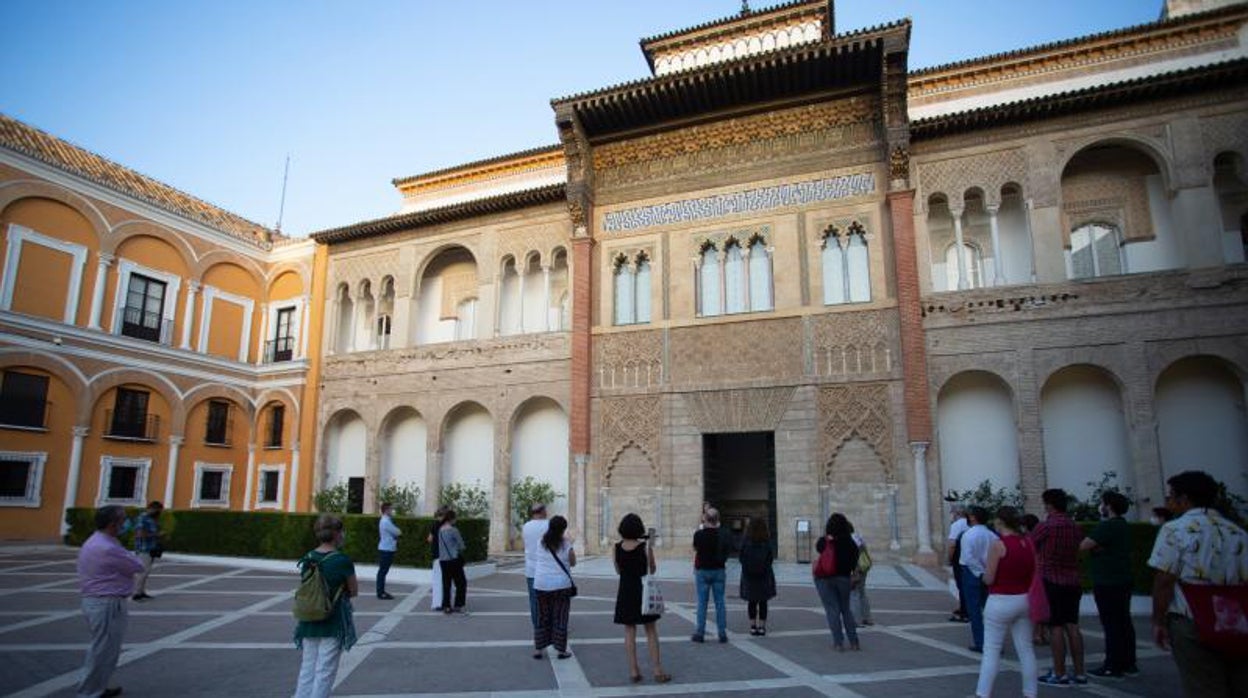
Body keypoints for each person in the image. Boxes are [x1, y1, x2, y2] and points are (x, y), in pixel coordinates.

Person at [1148, 470, 1248, 698]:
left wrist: (1158, 620)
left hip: (1192, 617)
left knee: (1202, 686)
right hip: (1235, 618)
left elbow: (1164, 579)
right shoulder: (1237, 531)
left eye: (1171, 496)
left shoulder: (1175, 529)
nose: (1169, 502)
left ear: (1184, 499)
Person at [77, 504, 146, 698]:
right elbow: (137, 565)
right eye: (123, 520)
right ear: (113, 524)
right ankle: (89, 692)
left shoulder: (98, 540)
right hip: (106, 603)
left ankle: (98, 686)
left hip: (100, 601)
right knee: (103, 651)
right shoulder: (107, 547)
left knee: (105, 650)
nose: (126, 523)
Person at [974, 506, 1039, 698]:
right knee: (1026, 649)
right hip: (1025, 599)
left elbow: (989, 578)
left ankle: (983, 693)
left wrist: (983, 575)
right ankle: (1030, 692)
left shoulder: (998, 545)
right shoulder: (1027, 543)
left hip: (1001, 600)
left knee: (991, 650)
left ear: (1000, 522)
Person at [294, 514, 358, 698]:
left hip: (309, 618)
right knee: (325, 670)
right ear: (337, 534)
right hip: (333, 619)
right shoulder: (342, 560)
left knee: (307, 667)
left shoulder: (307, 558)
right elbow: (353, 591)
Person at [1080, 490, 1138, 679]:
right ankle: (1129, 663)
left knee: (1111, 624)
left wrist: (1097, 548)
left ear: (1109, 506)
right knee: (1123, 622)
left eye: (1102, 503)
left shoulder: (1108, 526)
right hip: (1123, 579)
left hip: (1108, 581)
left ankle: (1112, 665)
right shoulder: (1123, 526)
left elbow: (1084, 545)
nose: (1101, 507)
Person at [1033, 488, 1087, 687]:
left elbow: (1032, 545)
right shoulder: (1074, 527)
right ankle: (1080, 673)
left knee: (1055, 626)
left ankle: (1059, 672)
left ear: (1049, 504)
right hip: (1073, 581)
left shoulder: (1046, 526)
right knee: (1072, 625)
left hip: (1051, 580)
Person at [613, 513, 670, 684]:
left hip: (625, 591)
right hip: (642, 591)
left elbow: (618, 570)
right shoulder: (645, 547)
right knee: (650, 629)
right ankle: (658, 670)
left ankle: (633, 670)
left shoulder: (616, 547)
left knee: (629, 631)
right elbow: (652, 569)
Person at [814, 512, 860, 651]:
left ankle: (838, 643)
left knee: (832, 610)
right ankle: (854, 642)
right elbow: (854, 561)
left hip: (824, 578)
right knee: (845, 609)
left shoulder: (825, 541)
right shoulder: (851, 543)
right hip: (844, 578)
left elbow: (818, 547)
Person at [532, 515, 576, 659]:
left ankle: (538, 649)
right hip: (561, 585)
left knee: (542, 616)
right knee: (561, 617)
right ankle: (561, 650)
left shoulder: (540, 542)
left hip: (541, 584)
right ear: (563, 529)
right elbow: (573, 562)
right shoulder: (566, 544)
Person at [691, 506, 731, 643]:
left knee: (702, 603)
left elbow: (696, 548)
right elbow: (728, 550)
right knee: (720, 602)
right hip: (719, 570)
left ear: (705, 519)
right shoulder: (724, 534)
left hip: (702, 571)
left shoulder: (699, 534)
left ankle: (700, 633)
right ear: (718, 520)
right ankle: (722, 633)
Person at [960, 505, 995, 653]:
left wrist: (979, 572)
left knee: (974, 610)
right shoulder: (992, 535)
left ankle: (981, 642)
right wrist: (987, 571)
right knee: (989, 609)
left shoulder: (969, 534)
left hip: (972, 573)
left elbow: (968, 558)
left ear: (973, 517)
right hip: (988, 572)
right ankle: (993, 643)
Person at [739, 517, 776, 636]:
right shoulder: (767, 541)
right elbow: (770, 558)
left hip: (749, 575)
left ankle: (753, 626)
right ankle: (762, 627)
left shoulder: (745, 540)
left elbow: (741, 557)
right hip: (764, 575)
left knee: (752, 601)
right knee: (763, 601)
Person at [522, 502, 550, 631]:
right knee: (550, 601)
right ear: (542, 511)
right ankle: (550, 627)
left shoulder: (526, 526)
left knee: (534, 601)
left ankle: (538, 628)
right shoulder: (549, 525)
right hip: (548, 569)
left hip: (531, 570)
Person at [437, 509, 468, 614]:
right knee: (461, 583)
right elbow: (462, 545)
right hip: (454, 560)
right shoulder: (454, 530)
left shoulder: (440, 530)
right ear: (452, 519)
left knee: (446, 584)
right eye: (455, 518)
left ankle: (446, 606)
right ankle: (458, 605)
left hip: (443, 560)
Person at [131, 500, 163, 601]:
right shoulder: (142, 518)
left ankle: (141, 591)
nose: (158, 512)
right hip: (143, 548)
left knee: (146, 571)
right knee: (142, 571)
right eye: (157, 510)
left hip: (151, 548)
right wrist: (156, 535)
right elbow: (140, 534)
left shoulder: (152, 519)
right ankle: (136, 593)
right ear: (152, 508)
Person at [948, 504, 970, 623]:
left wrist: (950, 559)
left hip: (959, 559)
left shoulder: (957, 525)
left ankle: (964, 611)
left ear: (956, 513)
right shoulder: (970, 524)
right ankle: (966, 608)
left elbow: (952, 544)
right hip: (970, 559)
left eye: (951, 513)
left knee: (961, 586)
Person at [849, 521, 873, 627]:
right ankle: (867, 618)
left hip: (856, 569)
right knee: (862, 593)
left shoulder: (850, 539)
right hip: (864, 567)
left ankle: (856, 620)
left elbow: (853, 556)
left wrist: (853, 570)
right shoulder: (858, 537)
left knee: (854, 594)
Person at [376, 502, 401, 600]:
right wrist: (397, 533)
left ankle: (381, 591)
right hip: (386, 549)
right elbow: (397, 532)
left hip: (386, 548)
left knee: (383, 571)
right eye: (391, 509)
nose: (392, 511)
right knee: (383, 571)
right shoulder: (386, 521)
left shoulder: (386, 520)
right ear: (386, 510)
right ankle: (380, 592)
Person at [427, 506, 446, 611]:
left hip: (436, 555)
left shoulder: (434, 525)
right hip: (444, 556)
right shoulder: (446, 526)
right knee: (444, 580)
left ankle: (436, 603)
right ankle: (443, 602)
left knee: (437, 580)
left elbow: (429, 539)